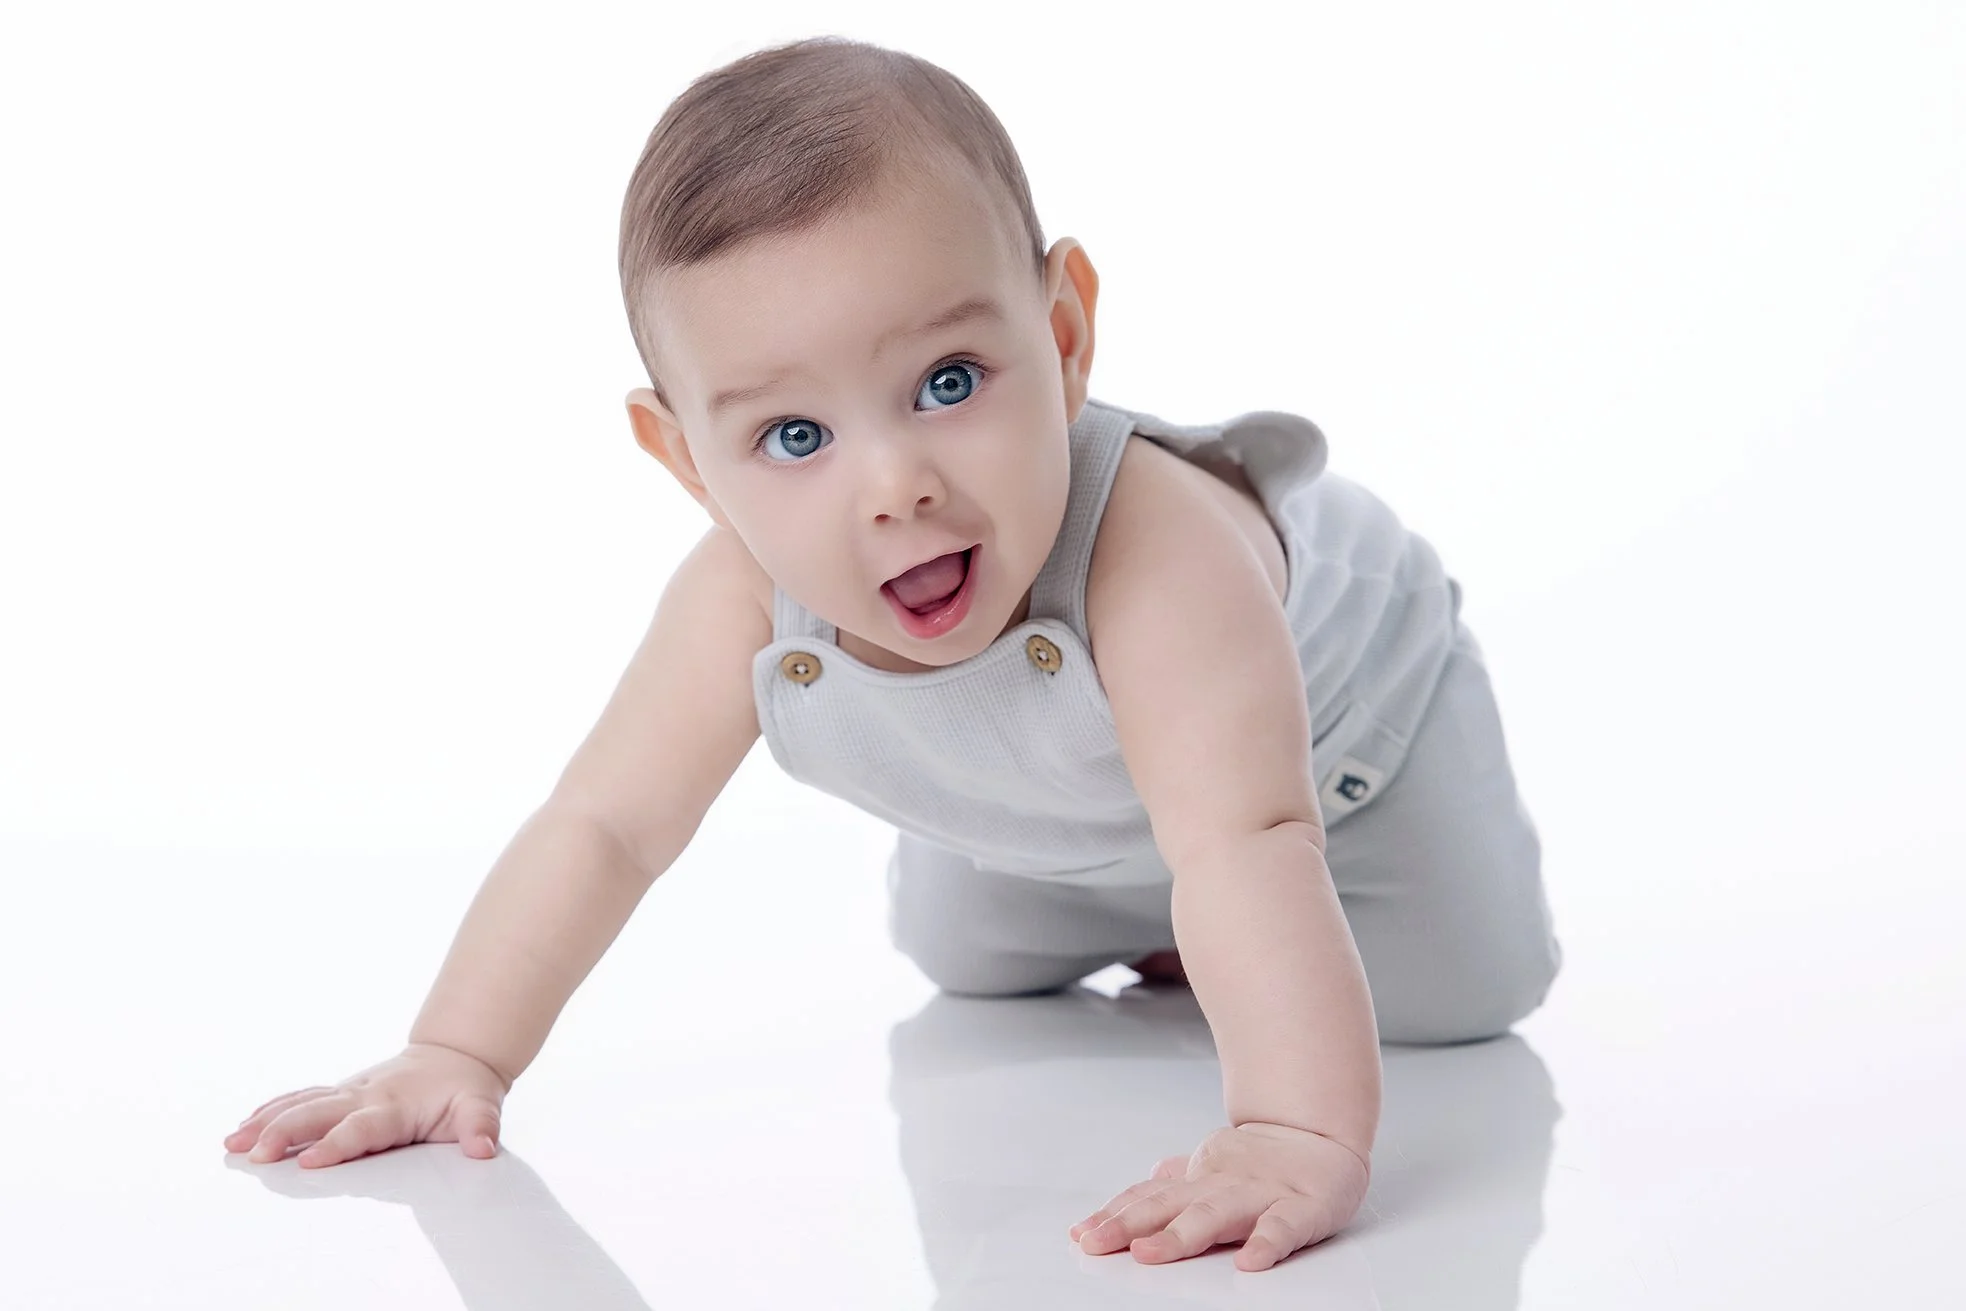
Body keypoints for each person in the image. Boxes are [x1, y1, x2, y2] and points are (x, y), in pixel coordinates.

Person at [224, 35, 1562, 1273]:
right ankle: (1149, 921)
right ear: (687, 459)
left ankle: (1211, 941)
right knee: (967, 960)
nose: (894, 485)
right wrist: (456, 1047)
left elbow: (1246, 840)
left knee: (1458, 991)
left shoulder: (1165, 559)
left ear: (1061, 335)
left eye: (947, 381)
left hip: (1334, 765)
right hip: (1067, 810)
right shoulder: (741, 592)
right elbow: (606, 824)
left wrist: (1290, 1128)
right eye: (793, 438)